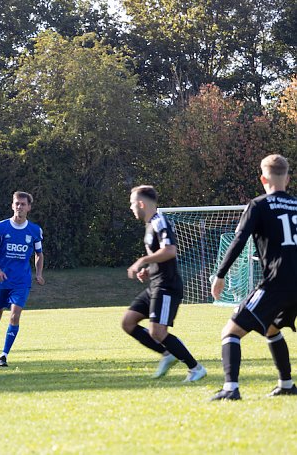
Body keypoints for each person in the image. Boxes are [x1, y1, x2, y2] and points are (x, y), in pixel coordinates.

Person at [209, 154, 297, 401]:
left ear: (263, 179)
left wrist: (220, 274)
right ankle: (286, 384)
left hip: (277, 283)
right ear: (287, 180)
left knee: (230, 331)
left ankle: (230, 388)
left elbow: (239, 240)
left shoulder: (258, 205)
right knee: (271, 328)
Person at [123, 185, 207, 383]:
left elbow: (170, 251)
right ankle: (168, 354)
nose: (131, 207)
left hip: (167, 287)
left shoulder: (160, 221)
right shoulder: (150, 224)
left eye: (132, 203)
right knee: (128, 322)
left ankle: (196, 368)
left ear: (141, 203)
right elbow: (161, 256)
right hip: (155, 285)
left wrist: (142, 261)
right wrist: (148, 269)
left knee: (158, 332)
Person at [0, 191, 45, 367]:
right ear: (12, 205)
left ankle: (3, 355)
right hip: (2, 280)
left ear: (29, 207)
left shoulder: (35, 230)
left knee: (14, 316)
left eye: (23, 204)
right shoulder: (0, 228)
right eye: (17, 203)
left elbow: (39, 254)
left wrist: (38, 273)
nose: (19, 207)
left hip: (21, 281)